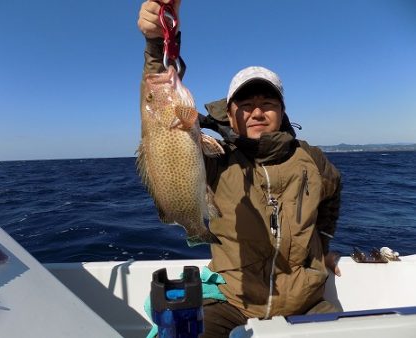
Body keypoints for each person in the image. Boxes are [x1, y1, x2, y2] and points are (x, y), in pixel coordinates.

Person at [138, 1, 342, 337]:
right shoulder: (217, 158)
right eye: (245, 106)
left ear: (282, 112)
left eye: (268, 104)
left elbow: (333, 194)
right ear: (230, 115)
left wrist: (325, 241)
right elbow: (157, 99)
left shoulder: (313, 160)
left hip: (308, 300)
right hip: (233, 300)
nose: (257, 113)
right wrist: (155, 42)